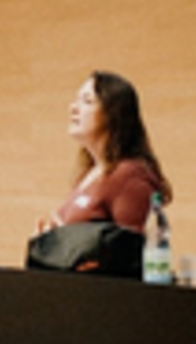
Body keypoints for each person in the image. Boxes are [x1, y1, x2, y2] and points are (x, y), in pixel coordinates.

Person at [39, 70, 172, 234]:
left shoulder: (129, 177)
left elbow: (135, 252)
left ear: (112, 114)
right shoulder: (90, 173)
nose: (73, 108)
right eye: (76, 100)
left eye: (87, 101)